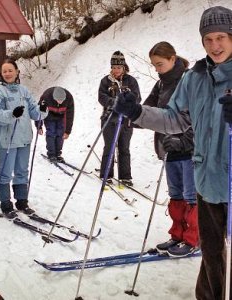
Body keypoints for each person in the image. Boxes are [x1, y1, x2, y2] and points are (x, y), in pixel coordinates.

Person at [114, 6, 232, 299]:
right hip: (207, 182)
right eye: (208, 39)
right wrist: (137, 112)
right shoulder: (196, 78)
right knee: (213, 256)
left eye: (221, 37)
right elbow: (174, 119)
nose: (215, 46)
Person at [143, 42, 199, 257]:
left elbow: (196, 117)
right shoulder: (161, 85)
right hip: (168, 148)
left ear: (173, 59)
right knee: (176, 195)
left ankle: (193, 238)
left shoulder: (189, 81)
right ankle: (178, 234)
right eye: (154, 65)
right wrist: (128, 109)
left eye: (160, 64)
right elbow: (148, 111)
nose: (157, 69)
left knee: (191, 195)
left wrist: (183, 141)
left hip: (189, 149)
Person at [0, 58, 47, 218]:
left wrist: (42, 109)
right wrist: (11, 114)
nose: (7, 73)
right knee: (6, 172)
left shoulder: (24, 90)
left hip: (24, 138)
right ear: (1, 74)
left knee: (22, 171)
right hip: (7, 140)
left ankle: (22, 201)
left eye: (10, 70)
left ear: (17, 72)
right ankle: (6, 203)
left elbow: (35, 113)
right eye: (4, 71)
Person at [98, 51, 141, 186]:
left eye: (119, 67)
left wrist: (128, 102)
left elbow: (137, 98)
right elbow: (101, 97)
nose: (116, 70)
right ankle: (106, 174)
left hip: (126, 120)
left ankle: (125, 177)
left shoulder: (131, 81)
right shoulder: (105, 81)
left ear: (123, 67)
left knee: (124, 148)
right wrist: (115, 102)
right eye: (114, 67)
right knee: (109, 146)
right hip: (109, 118)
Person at [35, 86, 74, 163]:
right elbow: (39, 112)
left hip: (61, 116)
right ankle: (51, 154)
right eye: (58, 100)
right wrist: (39, 126)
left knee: (60, 134)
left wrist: (67, 131)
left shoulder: (69, 99)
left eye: (62, 100)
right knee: (51, 132)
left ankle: (58, 154)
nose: (60, 102)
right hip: (49, 116)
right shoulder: (46, 97)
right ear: (54, 97)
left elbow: (70, 115)